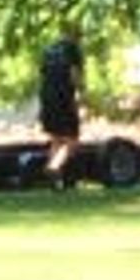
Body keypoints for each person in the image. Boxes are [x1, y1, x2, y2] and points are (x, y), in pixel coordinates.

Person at [36, 35, 82, 187]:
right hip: (63, 97)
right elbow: (74, 74)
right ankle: (53, 167)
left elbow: (42, 75)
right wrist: (79, 93)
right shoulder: (72, 48)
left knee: (56, 138)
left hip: (46, 96)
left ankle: (54, 179)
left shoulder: (48, 51)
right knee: (72, 140)